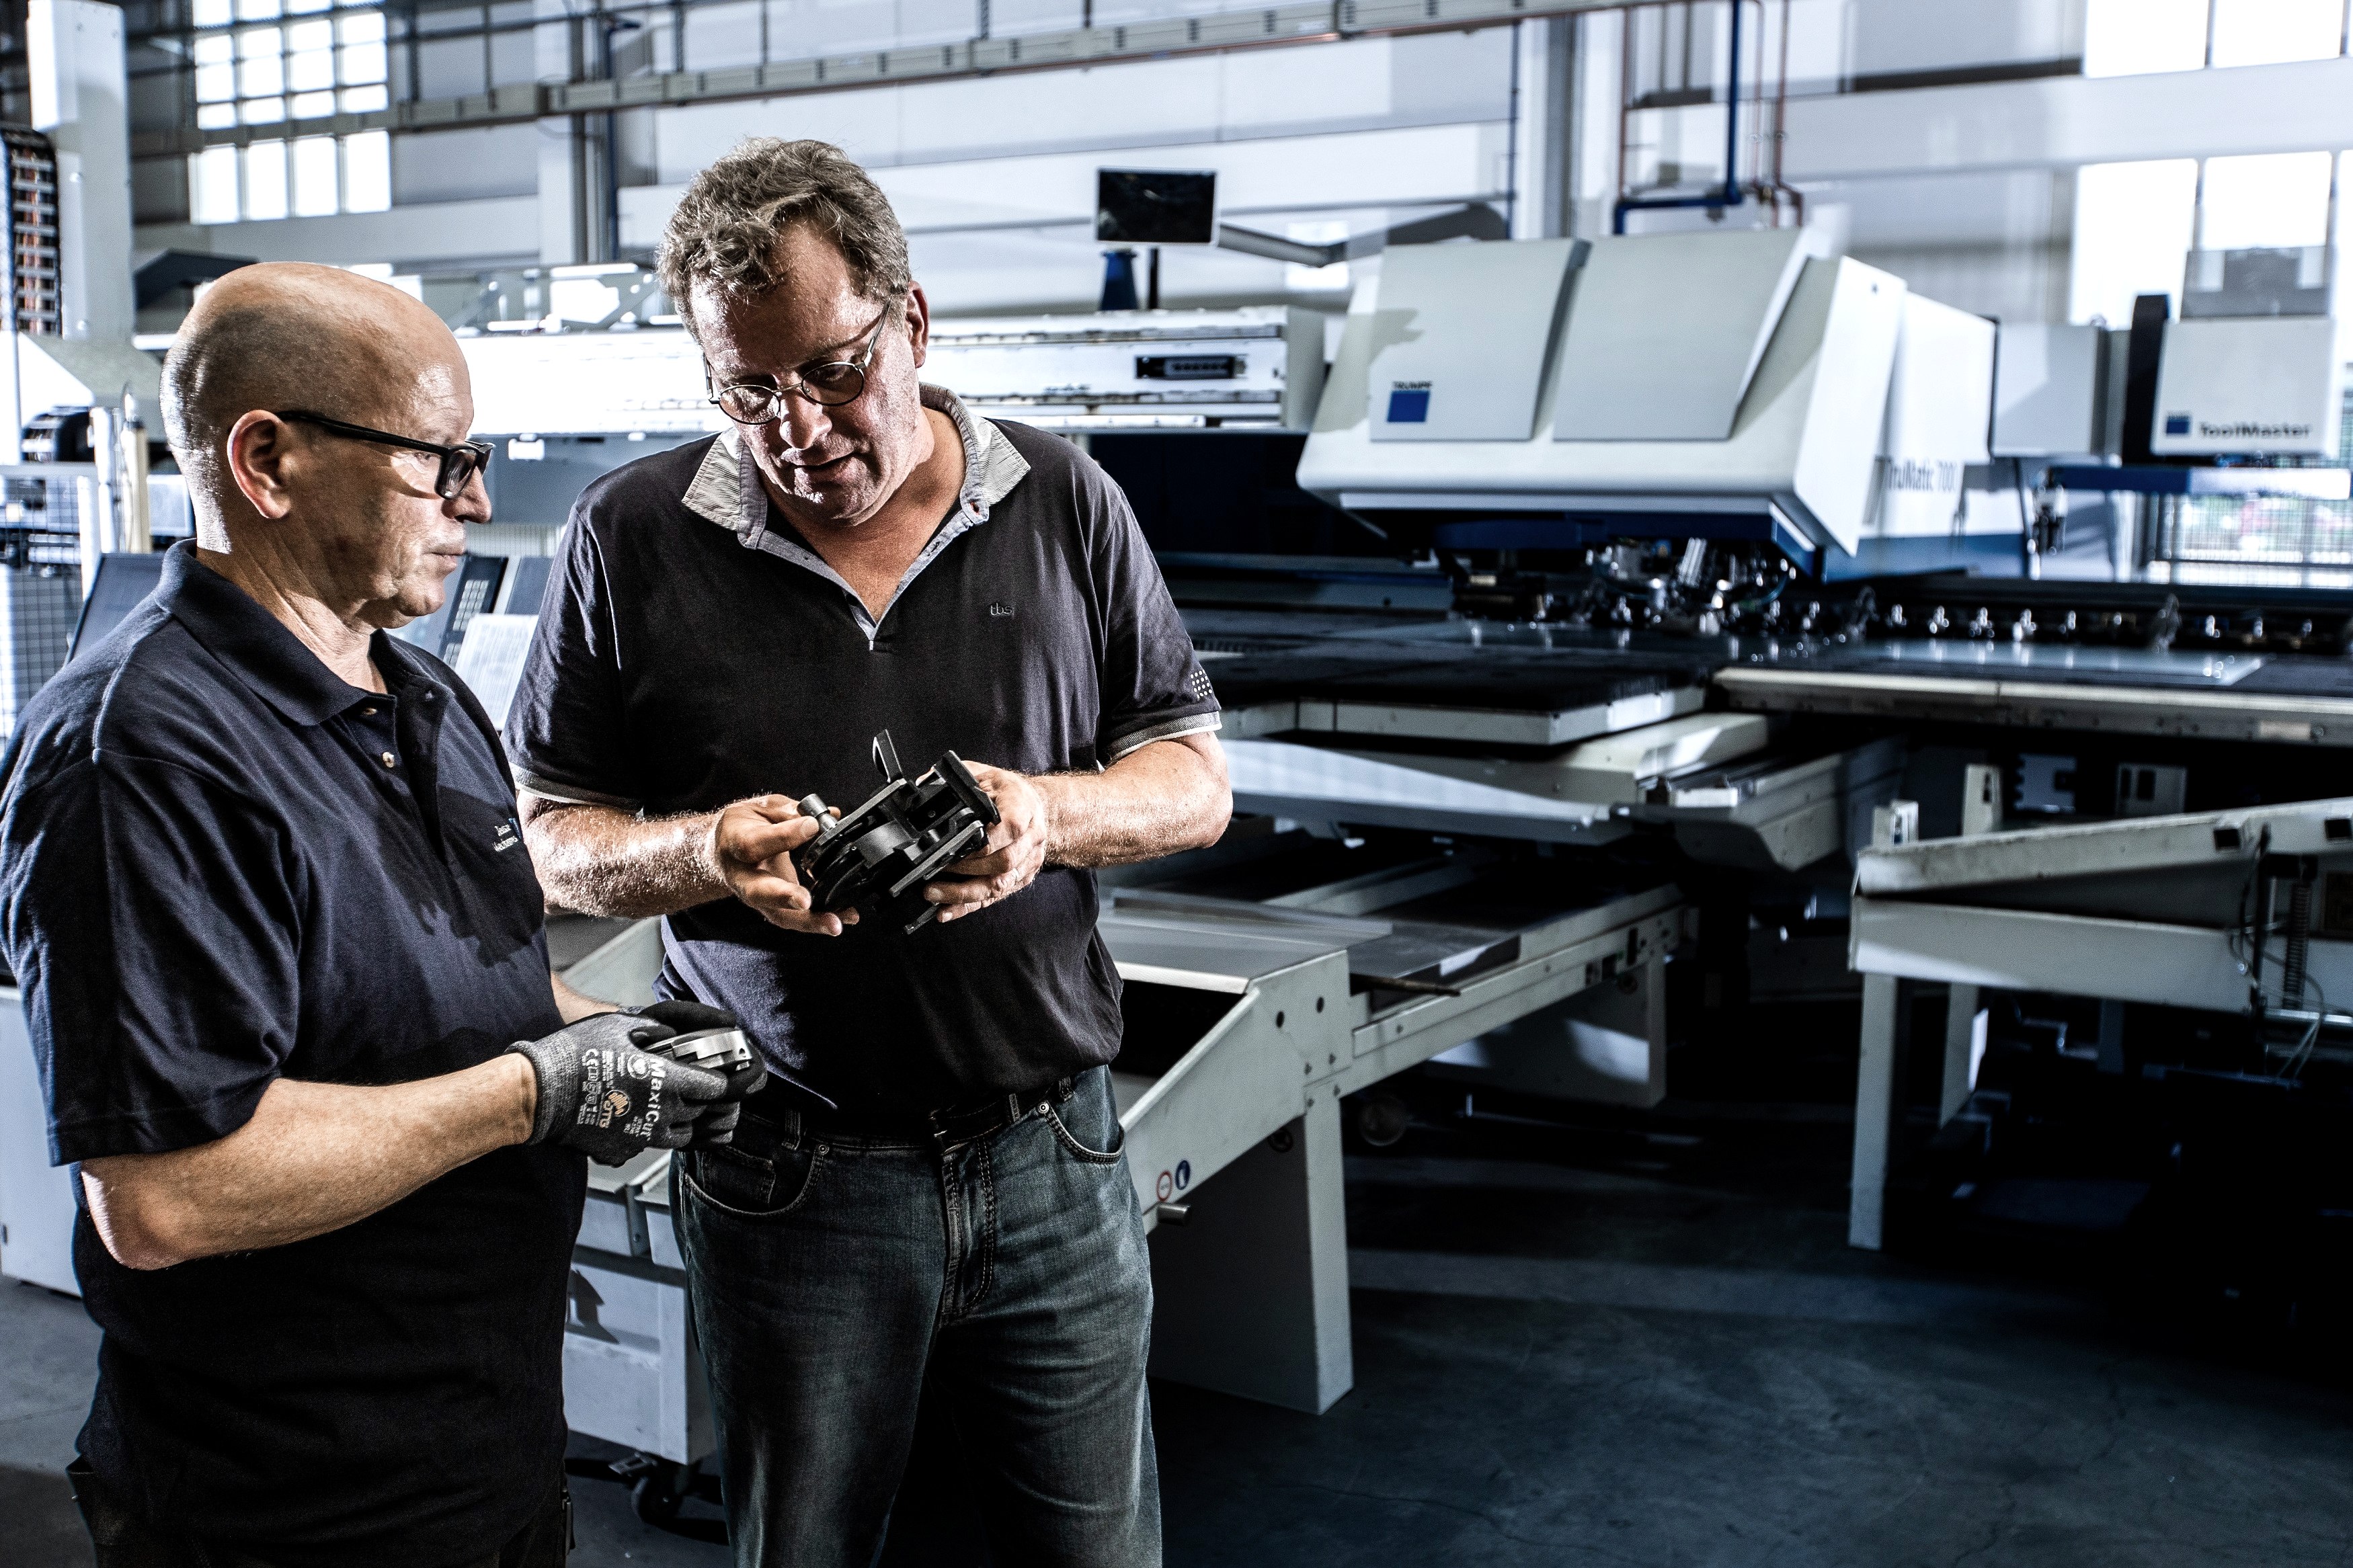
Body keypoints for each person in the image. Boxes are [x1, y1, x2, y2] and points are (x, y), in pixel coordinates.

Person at [508, 138, 1232, 1565]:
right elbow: (549, 841)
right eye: (747, 389)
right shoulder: (629, 535)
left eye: (834, 371)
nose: (796, 427)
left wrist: (1046, 816)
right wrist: (706, 853)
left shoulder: (1063, 499)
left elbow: (1195, 784)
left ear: (911, 322)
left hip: (1052, 1151)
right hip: (789, 1174)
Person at [0, 263, 760, 1568]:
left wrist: (621, 1041)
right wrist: (537, 1092)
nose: (478, 500)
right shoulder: (141, 754)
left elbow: (481, 985)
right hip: (289, 1507)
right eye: (438, 462)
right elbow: (169, 1191)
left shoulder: (427, 702)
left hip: (489, 1449)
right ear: (269, 461)